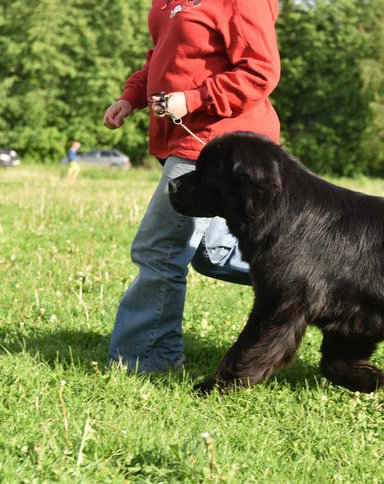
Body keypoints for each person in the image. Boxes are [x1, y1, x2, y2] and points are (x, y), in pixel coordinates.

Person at [103, 0, 281, 374]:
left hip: (218, 143)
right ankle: (319, 278)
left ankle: (148, 360)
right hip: (185, 139)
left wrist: (195, 99)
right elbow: (162, 56)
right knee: (213, 254)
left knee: (160, 247)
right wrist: (131, 96)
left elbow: (261, 70)